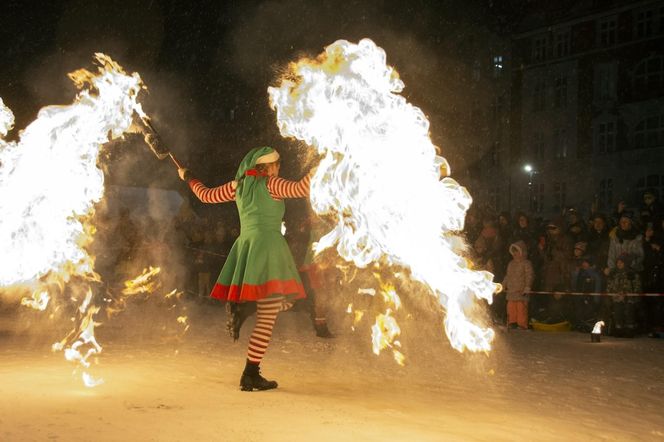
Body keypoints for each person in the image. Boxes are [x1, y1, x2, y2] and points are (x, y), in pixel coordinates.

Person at [178, 146, 311, 391]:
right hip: (269, 248)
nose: (279, 168)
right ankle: (250, 372)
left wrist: (188, 177)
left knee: (280, 303)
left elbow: (205, 196)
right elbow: (302, 188)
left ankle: (246, 311)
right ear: (267, 167)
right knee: (270, 315)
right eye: (277, 164)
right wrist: (323, 165)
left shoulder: (238, 186)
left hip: (248, 246)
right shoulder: (272, 184)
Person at [606, 253, 642, 337]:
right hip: (617, 299)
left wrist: (628, 295)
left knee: (629, 314)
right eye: (618, 262)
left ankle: (629, 331)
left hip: (630, 299)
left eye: (621, 262)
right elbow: (609, 286)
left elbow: (637, 287)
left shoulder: (632, 274)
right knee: (618, 314)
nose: (619, 264)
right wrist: (613, 295)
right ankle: (619, 330)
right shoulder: (614, 273)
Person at [501, 240, 534, 330]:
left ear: (522, 252)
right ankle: (512, 322)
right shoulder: (511, 264)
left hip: (521, 291)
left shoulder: (526, 263)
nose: (515, 254)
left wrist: (527, 286)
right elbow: (507, 276)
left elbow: (529, 275)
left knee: (521, 309)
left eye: (517, 251)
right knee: (511, 308)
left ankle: (522, 325)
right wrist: (503, 285)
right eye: (514, 251)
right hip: (511, 291)